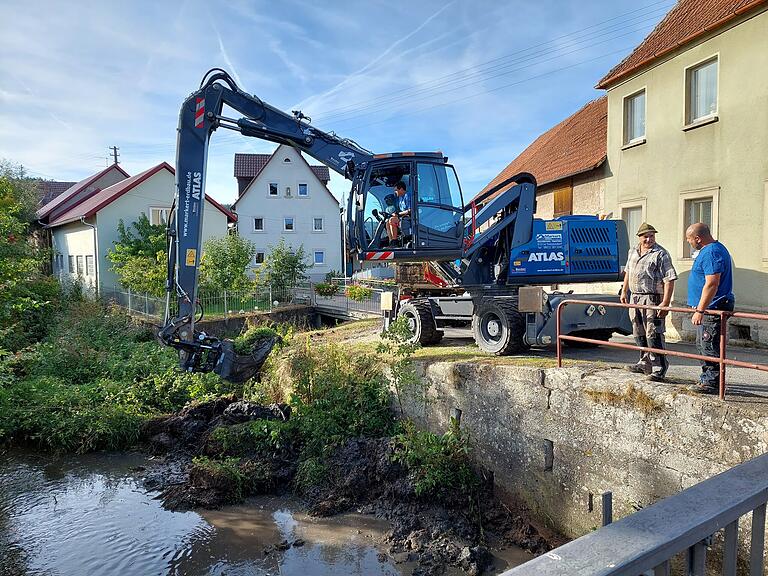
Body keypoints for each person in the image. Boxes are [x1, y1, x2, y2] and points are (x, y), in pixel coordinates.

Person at [620, 222, 677, 381]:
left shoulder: (660, 254)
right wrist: (624, 291)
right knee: (638, 332)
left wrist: (665, 303)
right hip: (635, 297)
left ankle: (659, 367)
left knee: (654, 333)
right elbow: (628, 272)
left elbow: (669, 279)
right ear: (639, 237)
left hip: (652, 298)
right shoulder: (633, 251)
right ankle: (644, 362)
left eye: (652, 236)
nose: (649, 239)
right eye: (646, 236)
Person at [685, 222, 735, 394]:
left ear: (698, 238)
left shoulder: (712, 251)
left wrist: (700, 310)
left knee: (708, 344)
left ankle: (711, 383)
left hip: (713, 307)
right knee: (703, 343)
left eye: (689, 239)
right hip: (709, 306)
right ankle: (707, 379)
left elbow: (712, 283)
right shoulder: (711, 250)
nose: (688, 242)